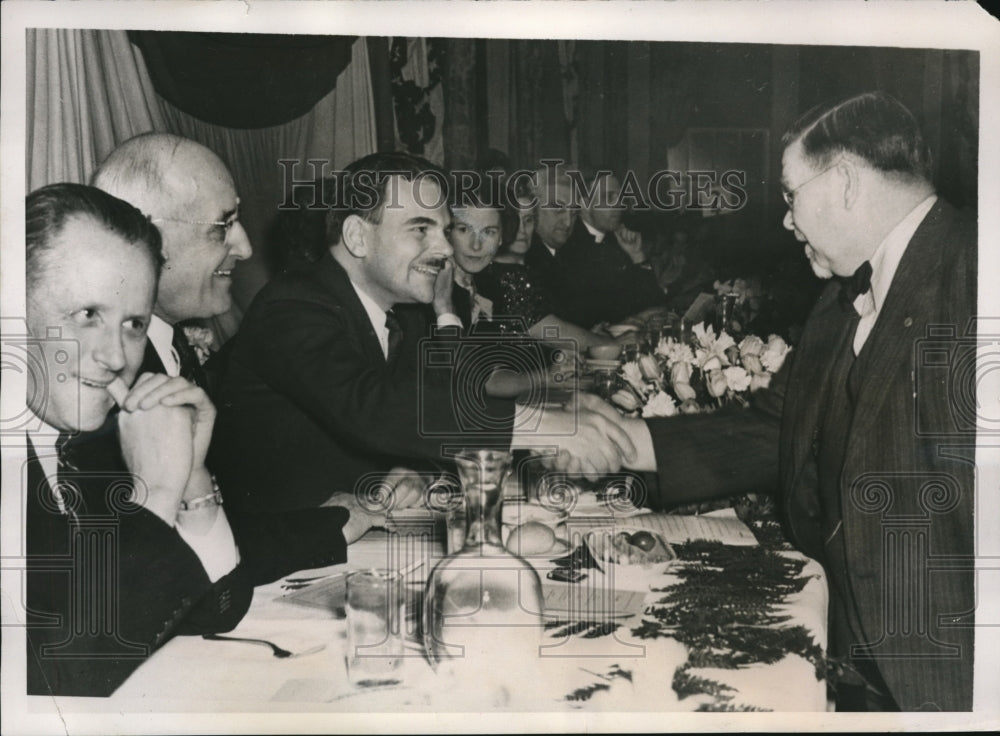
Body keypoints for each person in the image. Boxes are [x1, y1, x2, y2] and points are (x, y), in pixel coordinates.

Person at [613, 92, 976, 711]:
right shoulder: (841, 299)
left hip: (945, 680)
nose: (785, 220)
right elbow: (779, 429)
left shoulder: (977, 274)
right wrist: (621, 442)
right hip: (857, 661)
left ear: (843, 184)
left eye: (790, 195)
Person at [21, 184, 350, 697]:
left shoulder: (81, 440)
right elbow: (61, 677)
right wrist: (152, 497)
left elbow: (218, 607)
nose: (115, 355)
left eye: (132, 323)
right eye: (87, 315)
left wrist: (192, 478)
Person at [212, 151, 634, 513]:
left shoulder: (401, 316)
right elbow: (371, 406)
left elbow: (427, 410)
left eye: (443, 228)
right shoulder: (292, 305)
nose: (447, 249)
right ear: (358, 236)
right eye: (421, 229)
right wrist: (545, 427)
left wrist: (410, 468)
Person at [556, 169, 666, 327]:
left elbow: (656, 305)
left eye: (620, 197)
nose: (618, 204)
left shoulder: (616, 239)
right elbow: (580, 315)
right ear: (585, 204)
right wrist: (624, 320)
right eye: (608, 197)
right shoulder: (566, 246)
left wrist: (637, 255)